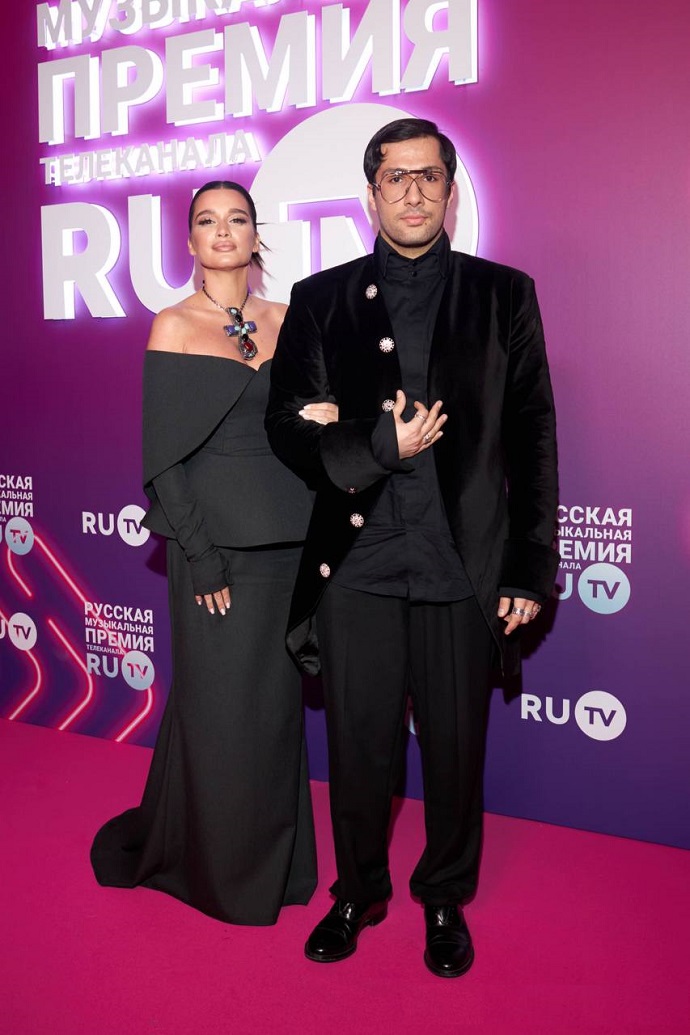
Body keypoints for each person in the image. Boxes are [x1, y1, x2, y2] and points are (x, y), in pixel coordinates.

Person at [265, 120, 559, 974]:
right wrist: (375, 446)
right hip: (357, 566)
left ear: (451, 190)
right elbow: (286, 426)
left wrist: (529, 564)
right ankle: (357, 891)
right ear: (371, 195)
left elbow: (534, 435)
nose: (414, 191)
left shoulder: (504, 294)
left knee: (456, 749)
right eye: (396, 177)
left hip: (462, 567)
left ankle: (443, 896)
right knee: (359, 747)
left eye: (429, 176)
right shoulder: (320, 300)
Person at [91, 181, 337, 925]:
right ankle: (220, 871)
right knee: (221, 711)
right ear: (192, 241)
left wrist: (326, 416)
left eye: (237, 219)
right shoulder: (172, 325)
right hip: (216, 555)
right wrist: (200, 556)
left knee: (273, 715)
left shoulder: (289, 319)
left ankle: (279, 865)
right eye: (207, 221)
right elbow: (164, 461)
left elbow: (309, 425)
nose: (223, 231)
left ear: (256, 236)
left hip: (290, 543)